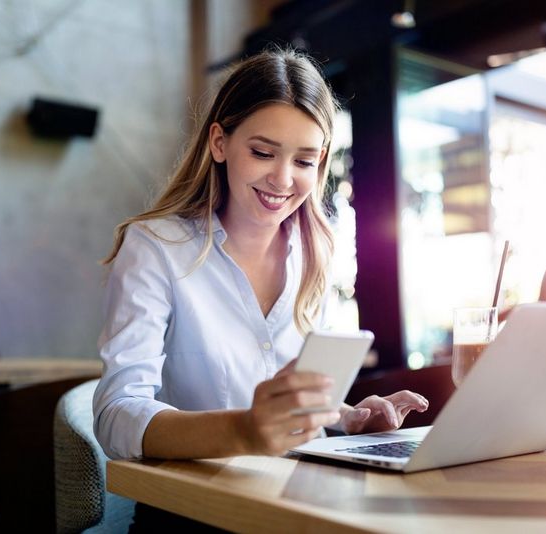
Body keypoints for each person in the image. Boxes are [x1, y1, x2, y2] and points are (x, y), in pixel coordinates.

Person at [93, 48, 428, 462]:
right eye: (263, 153)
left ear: (320, 161)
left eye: (304, 160)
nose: (283, 179)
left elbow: (294, 405)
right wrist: (243, 430)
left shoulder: (314, 254)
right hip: (197, 508)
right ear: (220, 143)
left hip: (300, 493)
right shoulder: (156, 248)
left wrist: (349, 418)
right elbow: (116, 416)